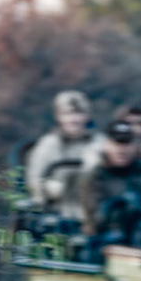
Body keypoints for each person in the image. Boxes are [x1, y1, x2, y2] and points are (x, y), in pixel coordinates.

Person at [80, 119, 141, 246]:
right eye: (117, 143)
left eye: (126, 143)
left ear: (135, 145)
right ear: (107, 145)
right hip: (110, 243)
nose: (121, 149)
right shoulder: (95, 177)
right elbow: (95, 221)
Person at [24, 90, 94, 218]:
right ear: (58, 116)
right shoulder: (47, 145)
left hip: (93, 210)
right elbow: (34, 181)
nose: (74, 119)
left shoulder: (98, 143)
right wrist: (51, 189)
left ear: (87, 116)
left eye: (79, 113)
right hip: (56, 211)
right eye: (67, 114)